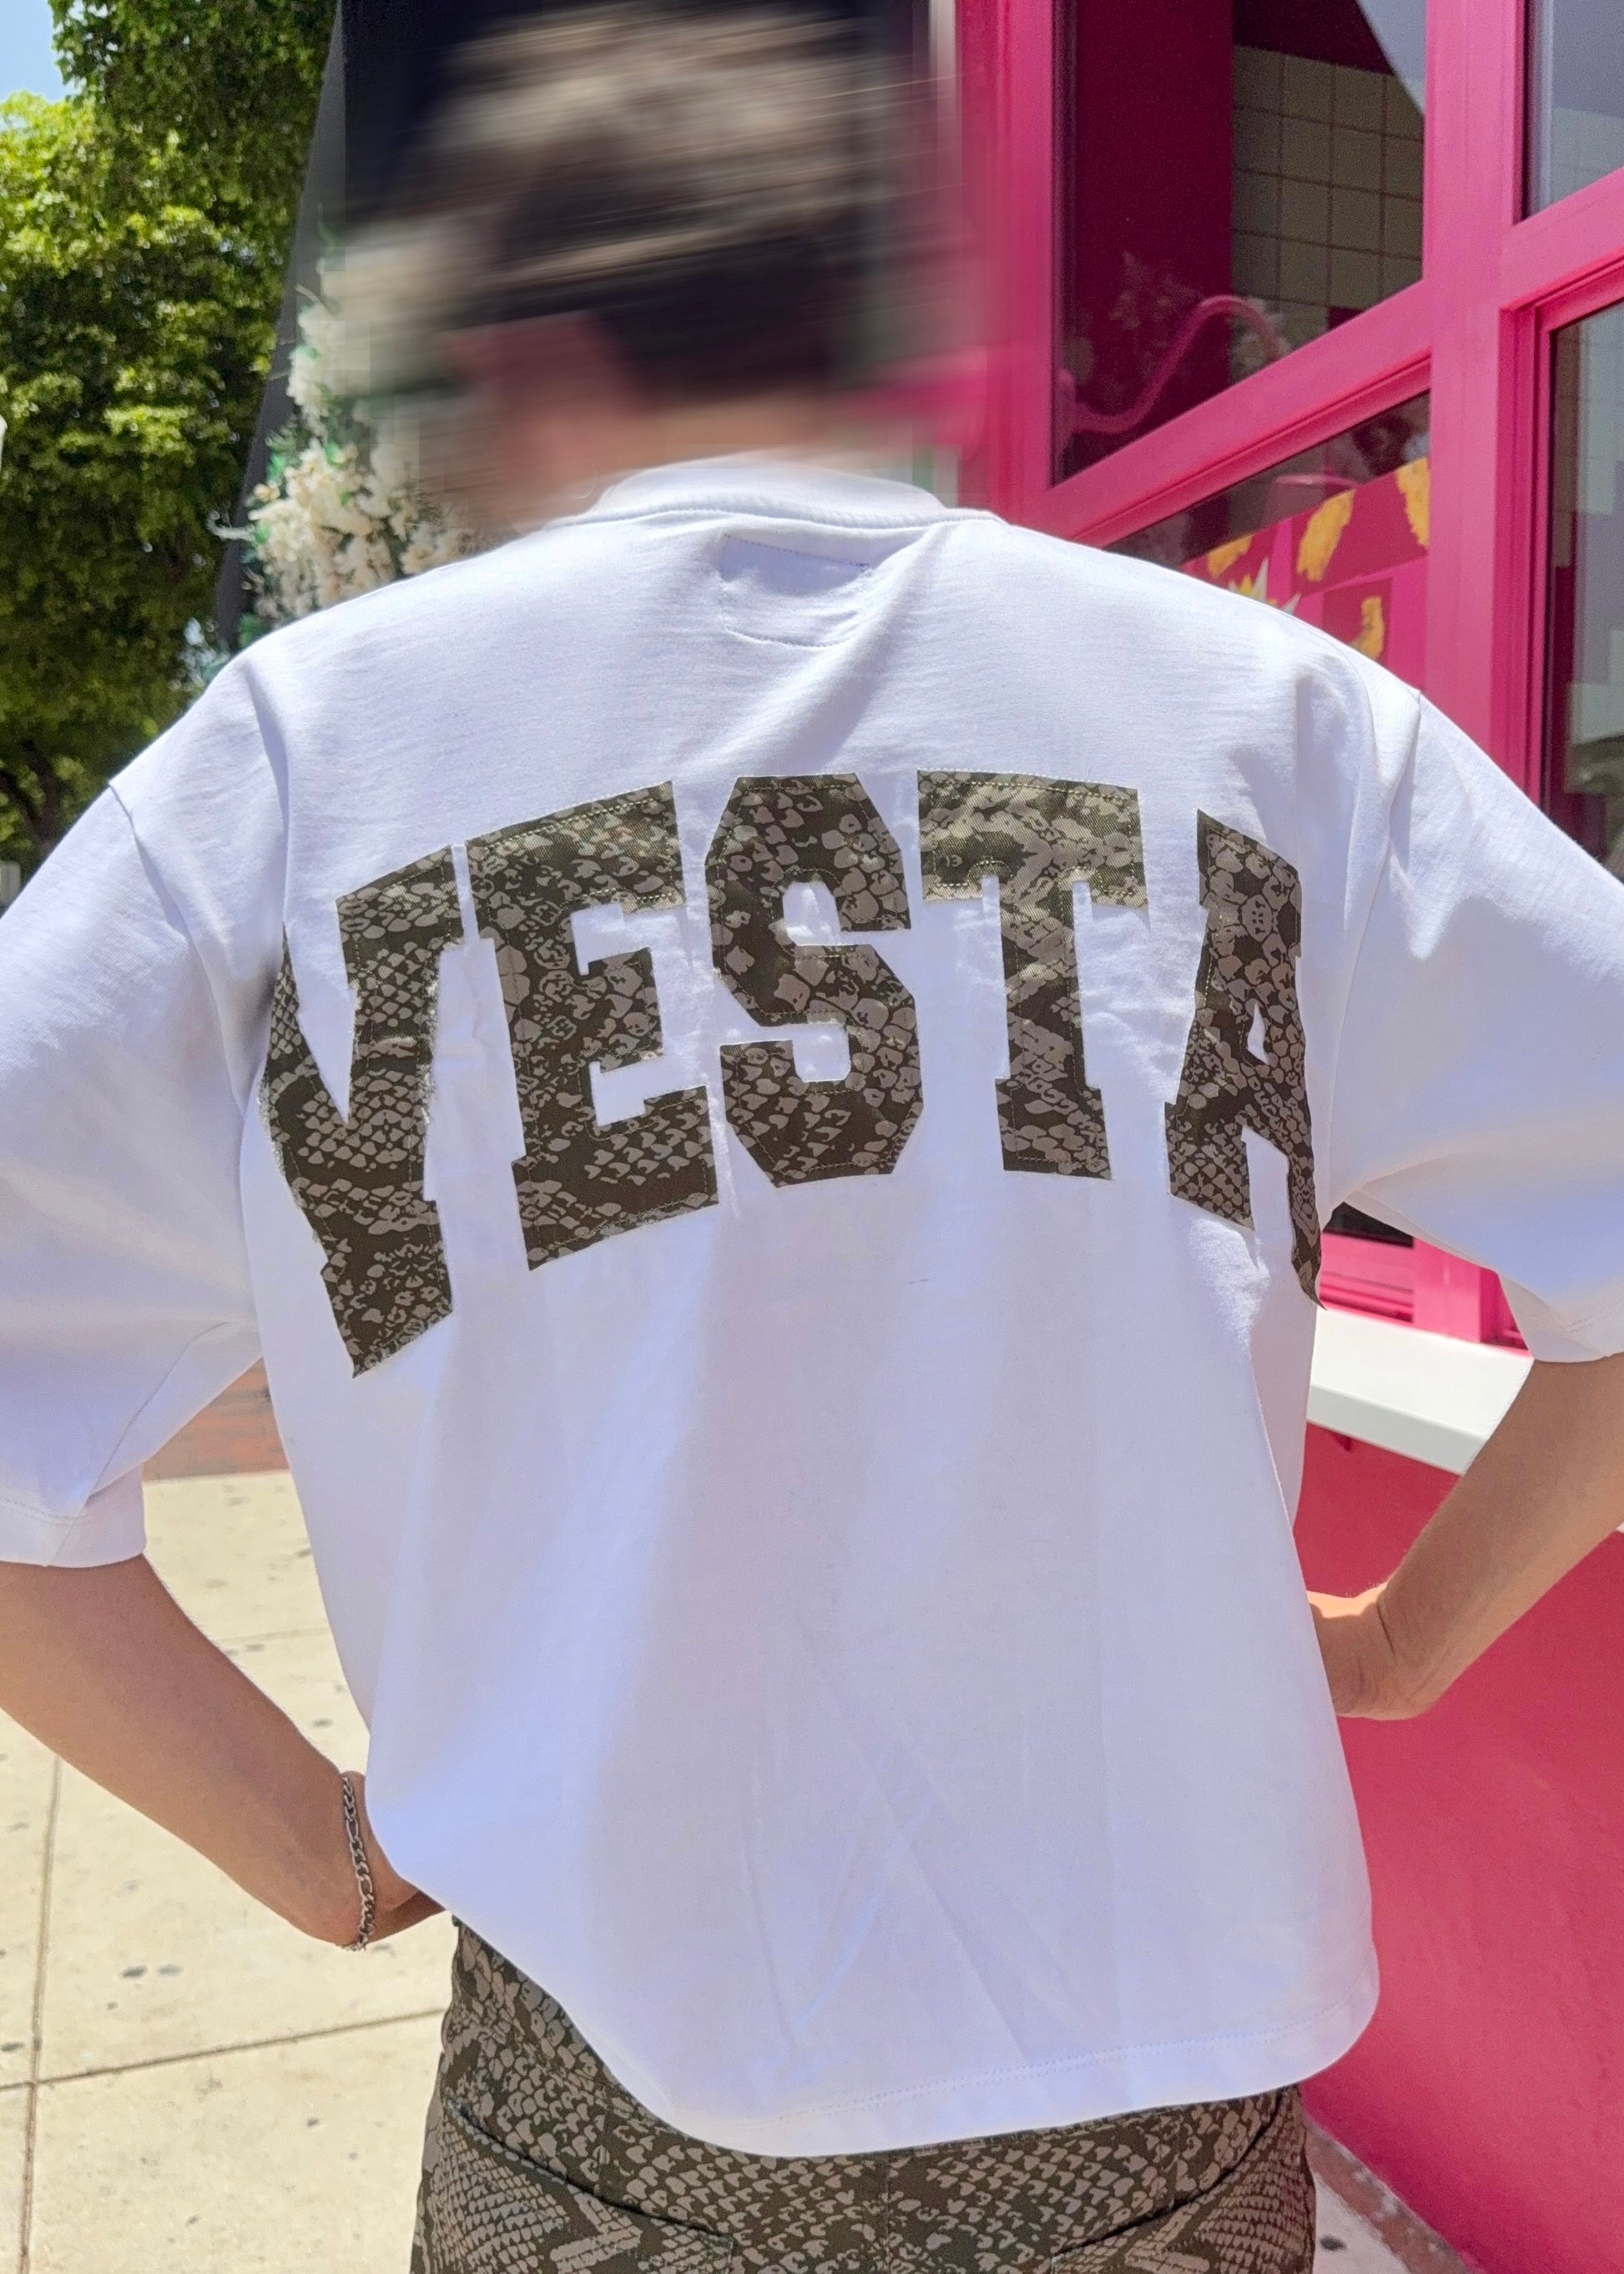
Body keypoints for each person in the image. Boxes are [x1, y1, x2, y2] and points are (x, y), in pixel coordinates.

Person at [3, 9, 1624, 2271]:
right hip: (1160, 2099)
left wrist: (324, 1854)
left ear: (523, 359)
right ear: (901, 335)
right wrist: (1408, 1647)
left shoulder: (303, 772)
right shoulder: (1257, 725)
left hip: (601, 2114)